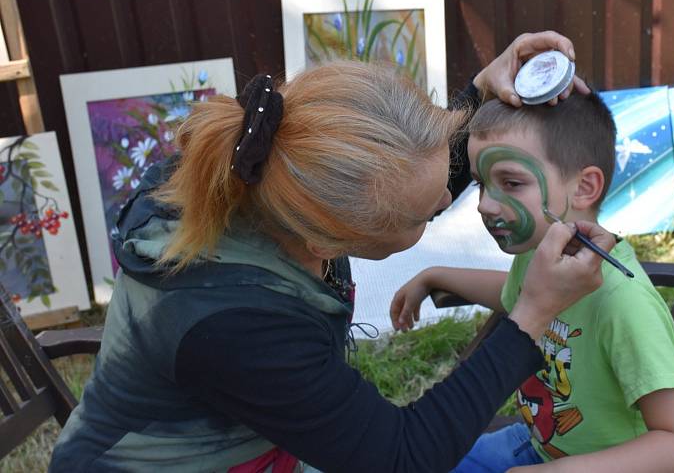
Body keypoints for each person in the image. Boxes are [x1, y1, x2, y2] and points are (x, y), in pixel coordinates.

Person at [49, 33, 616, 473]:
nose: (450, 197)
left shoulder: (269, 174)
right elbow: (402, 458)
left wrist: (479, 93)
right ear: (326, 240)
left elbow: (394, 182)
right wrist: (530, 318)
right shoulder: (233, 324)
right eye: (426, 214)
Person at [391, 95, 674, 472]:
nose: (484, 206)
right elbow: (520, 298)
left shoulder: (624, 304)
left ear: (584, 187)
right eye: (480, 184)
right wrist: (437, 275)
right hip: (540, 445)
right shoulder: (542, 254)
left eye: (511, 182)